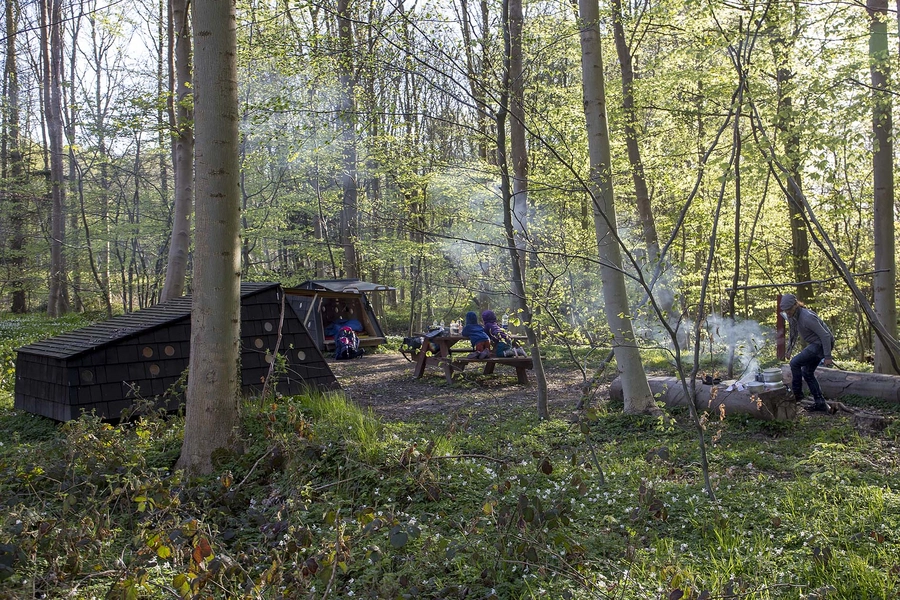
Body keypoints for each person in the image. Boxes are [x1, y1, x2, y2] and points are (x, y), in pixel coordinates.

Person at [780, 293, 834, 412]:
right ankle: (821, 403)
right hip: (815, 344)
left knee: (795, 363)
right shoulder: (792, 316)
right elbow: (793, 333)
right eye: (785, 310)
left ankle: (797, 394)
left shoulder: (807, 317)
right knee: (807, 372)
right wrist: (789, 350)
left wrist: (827, 356)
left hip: (821, 343)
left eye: (789, 309)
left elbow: (825, 336)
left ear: (796, 305)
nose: (787, 312)